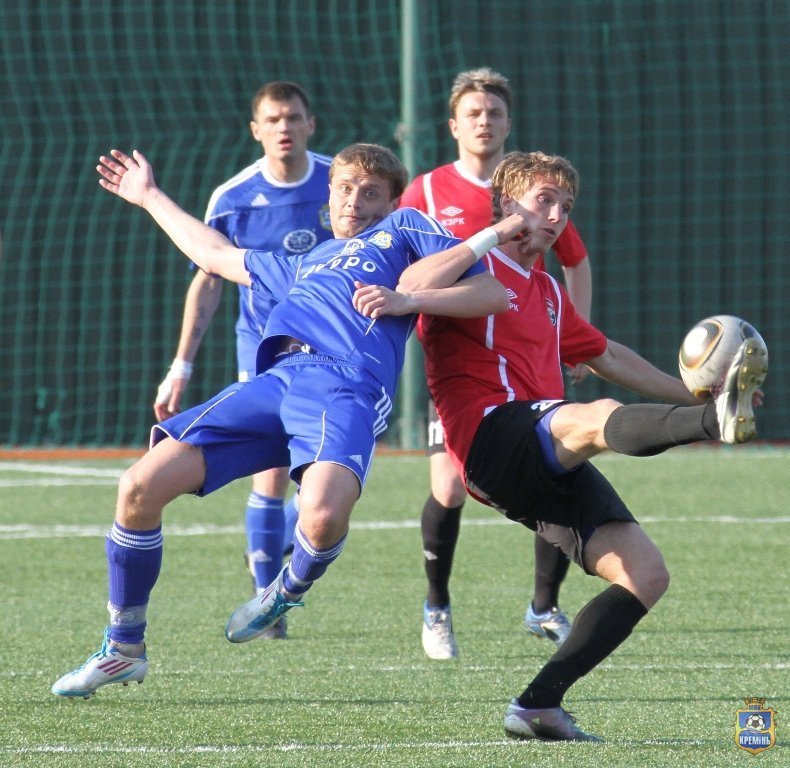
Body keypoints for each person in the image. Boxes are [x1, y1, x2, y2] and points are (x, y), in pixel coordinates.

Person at [51, 142, 519, 699]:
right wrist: (149, 197)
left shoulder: (407, 231)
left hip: (342, 385)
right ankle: (123, 647)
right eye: (345, 188)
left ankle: (287, 588)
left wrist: (402, 299)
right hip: (275, 380)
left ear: (394, 201)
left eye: (371, 192)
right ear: (329, 194)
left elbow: (492, 292)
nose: (355, 201)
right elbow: (218, 256)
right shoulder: (305, 260)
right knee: (138, 487)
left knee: (320, 517)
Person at [419, 150, 768, 740]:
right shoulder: (469, 267)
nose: (555, 216)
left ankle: (537, 705)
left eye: (565, 207)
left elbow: (606, 355)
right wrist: (490, 235)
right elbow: (413, 288)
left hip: (542, 446)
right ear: (506, 203)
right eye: (543, 201)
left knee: (645, 574)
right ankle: (713, 431)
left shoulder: (551, 292)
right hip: (489, 437)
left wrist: (699, 399)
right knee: (592, 417)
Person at [399, 67, 591, 659]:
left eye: (496, 113)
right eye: (474, 113)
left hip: (531, 357)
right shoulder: (428, 192)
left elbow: (574, 262)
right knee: (450, 484)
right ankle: (436, 605)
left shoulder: (539, 192)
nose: (485, 122)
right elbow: (400, 257)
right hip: (465, 369)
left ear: (509, 123)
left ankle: (543, 607)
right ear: (454, 124)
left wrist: (571, 335)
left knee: (556, 466)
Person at [153, 82, 333, 633]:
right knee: (272, 470)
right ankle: (266, 597)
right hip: (264, 352)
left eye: (293, 117)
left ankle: (276, 553)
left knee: (320, 484)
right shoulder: (233, 198)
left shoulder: (339, 182)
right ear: (256, 130)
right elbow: (208, 280)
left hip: (331, 351)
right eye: (273, 119)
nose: (284, 127)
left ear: (310, 124)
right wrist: (181, 364)